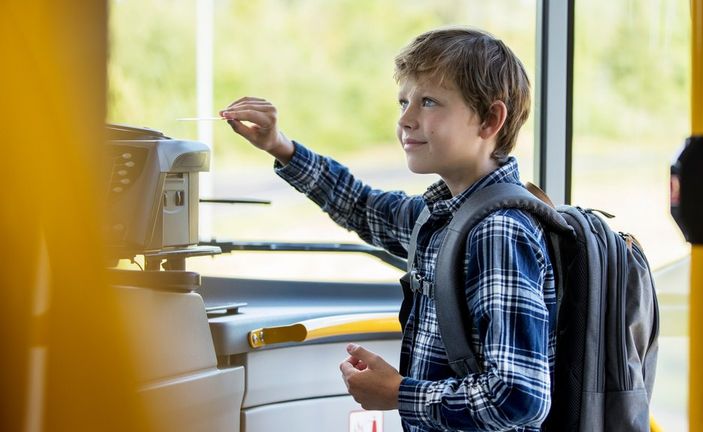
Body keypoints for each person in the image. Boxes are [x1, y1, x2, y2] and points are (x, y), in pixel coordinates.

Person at [220, 27, 555, 432]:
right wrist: (280, 146)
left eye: (428, 102)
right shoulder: (445, 216)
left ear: (490, 120)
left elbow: (519, 398)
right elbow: (361, 206)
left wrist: (399, 393)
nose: (406, 119)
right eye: (404, 101)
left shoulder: (497, 232)